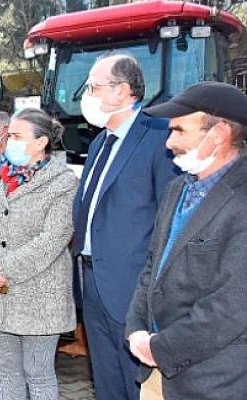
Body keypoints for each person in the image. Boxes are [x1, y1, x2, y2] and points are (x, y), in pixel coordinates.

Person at [124, 82, 247, 399]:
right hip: (154, 372)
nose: (169, 142)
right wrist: (136, 328)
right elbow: (152, 267)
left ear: (218, 134)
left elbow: (232, 305)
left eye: (179, 130)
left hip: (214, 381)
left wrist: (160, 349)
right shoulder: (177, 189)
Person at [71, 54, 179, 400]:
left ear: (123, 91)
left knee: (137, 382)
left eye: (93, 87)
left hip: (133, 286)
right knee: (107, 381)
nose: (87, 96)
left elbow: (169, 218)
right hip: (92, 280)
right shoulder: (100, 141)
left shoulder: (159, 136)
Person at [0, 108, 78, 399]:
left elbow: (52, 239)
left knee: (38, 374)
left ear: (41, 142)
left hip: (39, 295)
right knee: (7, 372)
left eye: (16, 136)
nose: (9, 141)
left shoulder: (62, 182)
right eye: (9, 135)